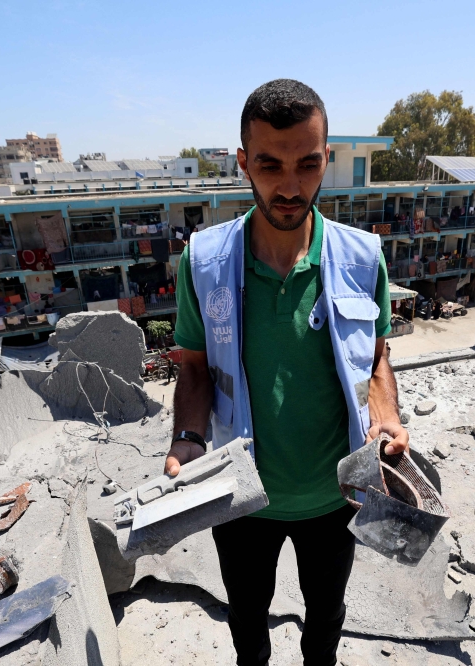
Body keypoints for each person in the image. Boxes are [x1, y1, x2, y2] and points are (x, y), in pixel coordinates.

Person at [166, 79, 406, 666]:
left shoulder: (362, 257)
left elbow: (376, 356)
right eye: (270, 164)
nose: (291, 185)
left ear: (326, 159)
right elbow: (194, 369)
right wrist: (188, 439)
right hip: (242, 499)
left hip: (335, 497)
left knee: (325, 620)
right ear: (244, 162)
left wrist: (389, 417)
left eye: (307, 163)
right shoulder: (203, 262)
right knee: (248, 622)